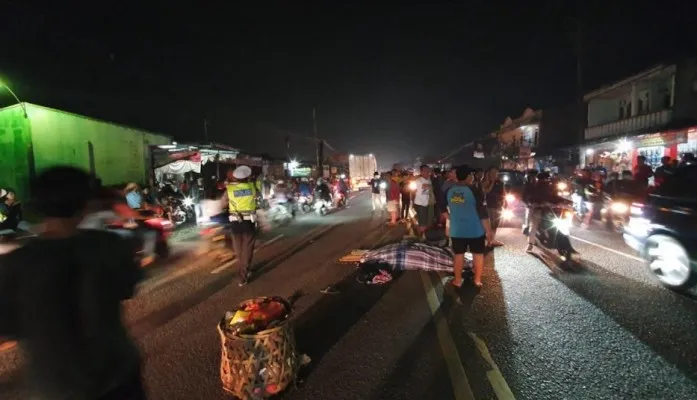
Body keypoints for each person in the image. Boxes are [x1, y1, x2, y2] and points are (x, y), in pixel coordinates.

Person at [0, 166, 145, 399]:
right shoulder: (108, 245)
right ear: (84, 204)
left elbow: (7, 325)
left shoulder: (17, 262)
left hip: (57, 387)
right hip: (117, 378)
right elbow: (128, 286)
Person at [446, 165, 492, 289]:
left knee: (458, 255)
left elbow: (443, 209)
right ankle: (477, 280)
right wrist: (488, 231)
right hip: (475, 230)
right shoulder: (475, 191)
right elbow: (483, 213)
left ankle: (457, 280)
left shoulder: (450, 191)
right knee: (478, 254)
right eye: (471, 175)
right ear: (468, 177)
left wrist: (452, 219)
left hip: (457, 230)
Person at [221, 165, 259, 286]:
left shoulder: (230, 190)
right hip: (248, 222)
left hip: (235, 222)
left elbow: (223, 204)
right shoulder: (252, 187)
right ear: (247, 177)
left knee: (238, 249)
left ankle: (243, 270)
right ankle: (243, 276)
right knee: (248, 248)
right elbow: (259, 198)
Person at [480, 166, 505, 247]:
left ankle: (492, 239)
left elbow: (503, 193)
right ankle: (488, 241)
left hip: (497, 206)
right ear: (489, 173)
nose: (494, 174)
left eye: (495, 172)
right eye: (492, 172)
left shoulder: (500, 182)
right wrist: (492, 182)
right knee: (488, 225)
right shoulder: (486, 182)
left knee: (495, 224)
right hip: (488, 205)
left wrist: (504, 202)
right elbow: (486, 191)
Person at [413, 165, 435, 235]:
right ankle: (420, 238)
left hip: (429, 203)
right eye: (425, 171)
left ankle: (425, 236)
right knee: (422, 224)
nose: (427, 172)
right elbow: (418, 190)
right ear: (421, 172)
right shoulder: (418, 181)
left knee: (428, 223)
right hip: (421, 204)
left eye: (428, 170)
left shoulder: (429, 180)